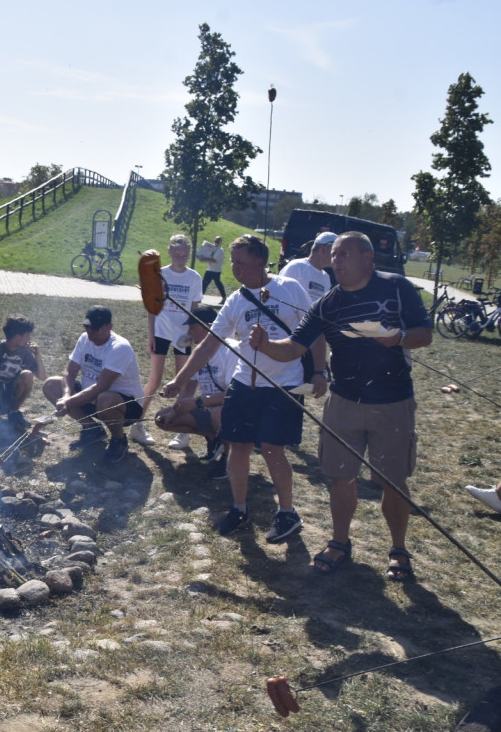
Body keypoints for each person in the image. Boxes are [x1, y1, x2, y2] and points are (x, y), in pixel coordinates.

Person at [249, 231, 432, 578]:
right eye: (333, 255)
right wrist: (266, 344)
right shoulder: (327, 304)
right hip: (344, 400)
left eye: (344, 254)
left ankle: (398, 548)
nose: (336, 261)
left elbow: (425, 333)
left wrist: (400, 339)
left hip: (393, 401)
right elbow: (294, 346)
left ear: (367, 258)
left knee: (392, 480)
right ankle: (339, 541)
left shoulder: (396, 287)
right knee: (340, 477)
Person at [163, 234, 316, 542]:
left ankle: (287, 512)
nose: (235, 269)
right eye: (232, 262)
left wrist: (322, 371)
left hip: (282, 383)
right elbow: (207, 345)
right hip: (245, 383)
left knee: (273, 449)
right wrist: (179, 380)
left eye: (241, 262)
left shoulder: (290, 289)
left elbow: (314, 330)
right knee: (238, 445)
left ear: (260, 260)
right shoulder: (236, 300)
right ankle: (239, 508)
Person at [43, 305, 145, 465]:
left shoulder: (120, 347)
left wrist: (68, 403)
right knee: (51, 385)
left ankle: (119, 440)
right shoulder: (84, 339)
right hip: (91, 398)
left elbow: (101, 386)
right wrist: (66, 395)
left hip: (126, 406)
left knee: (105, 399)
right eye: (87, 327)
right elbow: (69, 372)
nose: (90, 333)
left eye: (95, 329)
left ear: (109, 327)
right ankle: (92, 429)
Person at [153, 306, 235, 478]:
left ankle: (228, 459)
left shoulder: (231, 350)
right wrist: (176, 408)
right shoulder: (199, 353)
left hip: (231, 408)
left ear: (208, 326)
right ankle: (214, 438)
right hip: (207, 406)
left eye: (192, 327)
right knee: (163, 419)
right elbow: (190, 387)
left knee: (220, 415)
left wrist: (198, 403)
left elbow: (233, 395)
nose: (189, 332)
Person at [137, 234, 203, 449]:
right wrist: (150, 335)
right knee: (155, 379)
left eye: (185, 255)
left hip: (183, 334)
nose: (181, 258)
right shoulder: (159, 274)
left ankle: (181, 432)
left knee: (182, 381)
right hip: (161, 332)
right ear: (170, 252)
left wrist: (193, 332)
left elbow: (194, 309)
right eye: (177, 254)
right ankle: (137, 424)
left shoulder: (194, 278)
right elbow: (151, 307)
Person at [280, 230, 335, 399]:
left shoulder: (325, 277)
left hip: (311, 339)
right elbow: (280, 297)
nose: (338, 257)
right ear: (324, 249)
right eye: (336, 251)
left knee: (300, 384)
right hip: (290, 336)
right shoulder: (297, 267)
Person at [0, 315, 46, 431]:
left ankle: (13, 412)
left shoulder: (25, 353)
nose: (30, 338)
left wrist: (37, 355)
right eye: (27, 335)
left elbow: (43, 377)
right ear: (18, 337)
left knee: (28, 375)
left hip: (9, 395)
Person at [200, 236, 226, 302]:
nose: (216, 243)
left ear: (220, 242)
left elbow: (214, 260)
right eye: (215, 241)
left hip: (216, 271)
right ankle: (199, 298)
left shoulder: (220, 250)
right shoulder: (213, 249)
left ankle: (224, 297)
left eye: (217, 241)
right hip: (209, 269)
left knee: (218, 284)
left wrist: (204, 258)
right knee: (204, 284)